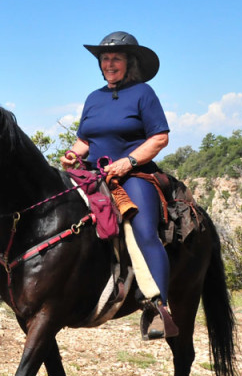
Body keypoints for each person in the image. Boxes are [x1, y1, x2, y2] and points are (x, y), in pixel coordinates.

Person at [60, 31, 177, 339]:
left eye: (116, 59)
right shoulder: (93, 98)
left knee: (143, 230)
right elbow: (85, 140)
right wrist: (73, 154)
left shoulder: (143, 93)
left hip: (132, 176)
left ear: (130, 63)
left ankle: (160, 308)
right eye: (105, 59)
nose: (109, 64)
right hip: (93, 173)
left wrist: (128, 162)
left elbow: (160, 137)